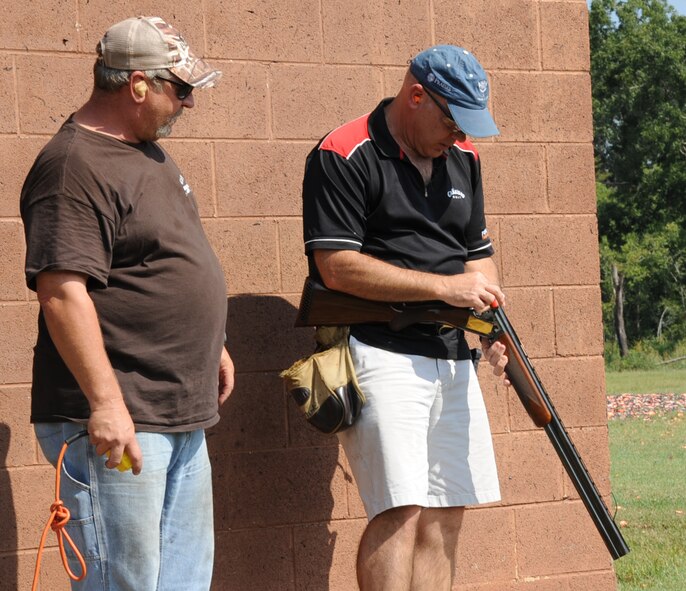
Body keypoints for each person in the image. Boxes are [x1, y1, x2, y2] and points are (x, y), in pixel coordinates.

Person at [20, 16, 233, 591]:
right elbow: (62, 292)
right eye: (180, 89)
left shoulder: (147, 154)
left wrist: (213, 343)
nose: (188, 104)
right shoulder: (72, 167)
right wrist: (107, 404)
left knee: (183, 584)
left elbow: (161, 261)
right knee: (125, 583)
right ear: (137, 85)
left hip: (178, 413)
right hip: (119, 422)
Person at [301, 45, 509, 590]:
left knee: (447, 512)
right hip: (379, 350)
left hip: (452, 357)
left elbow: (477, 254)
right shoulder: (343, 152)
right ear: (416, 95)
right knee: (401, 510)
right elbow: (337, 266)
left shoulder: (466, 159)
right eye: (451, 121)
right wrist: (447, 288)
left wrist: (490, 324)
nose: (459, 138)